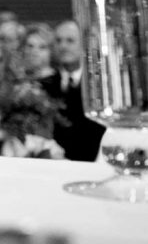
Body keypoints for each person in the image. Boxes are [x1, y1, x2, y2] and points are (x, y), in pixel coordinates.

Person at [41, 19, 105, 161]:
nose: (63, 46)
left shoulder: (100, 85)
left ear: (85, 44)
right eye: (58, 41)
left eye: (70, 41)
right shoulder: (43, 85)